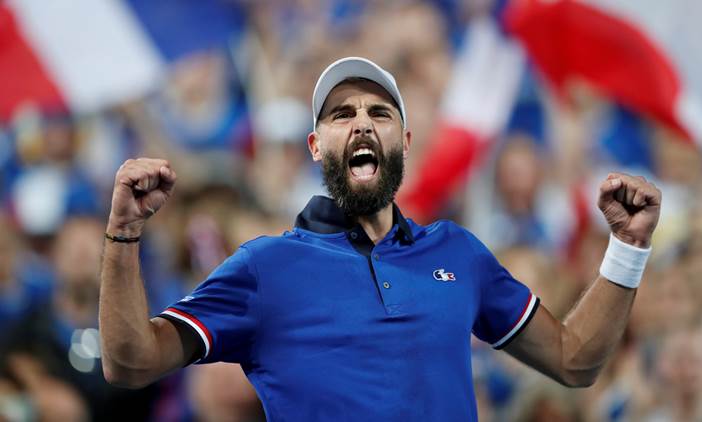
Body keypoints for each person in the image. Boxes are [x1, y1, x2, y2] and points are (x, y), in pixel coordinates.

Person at [99, 57, 662, 421]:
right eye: (342, 115)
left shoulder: (458, 253)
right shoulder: (264, 267)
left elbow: (575, 360)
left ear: (405, 140)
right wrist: (124, 235)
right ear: (317, 146)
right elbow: (130, 362)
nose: (363, 123)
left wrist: (628, 248)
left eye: (380, 113)